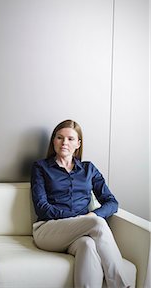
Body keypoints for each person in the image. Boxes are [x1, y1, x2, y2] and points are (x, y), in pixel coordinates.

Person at [31, 119, 130, 288]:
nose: (64, 143)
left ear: (78, 143)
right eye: (59, 138)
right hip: (48, 230)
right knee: (96, 223)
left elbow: (112, 202)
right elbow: (42, 207)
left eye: (70, 139)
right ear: (53, 141)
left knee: (88, 245)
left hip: (80, 234)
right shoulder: (40, 167)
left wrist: (91, 216)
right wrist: (84, 219)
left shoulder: (89, 169)